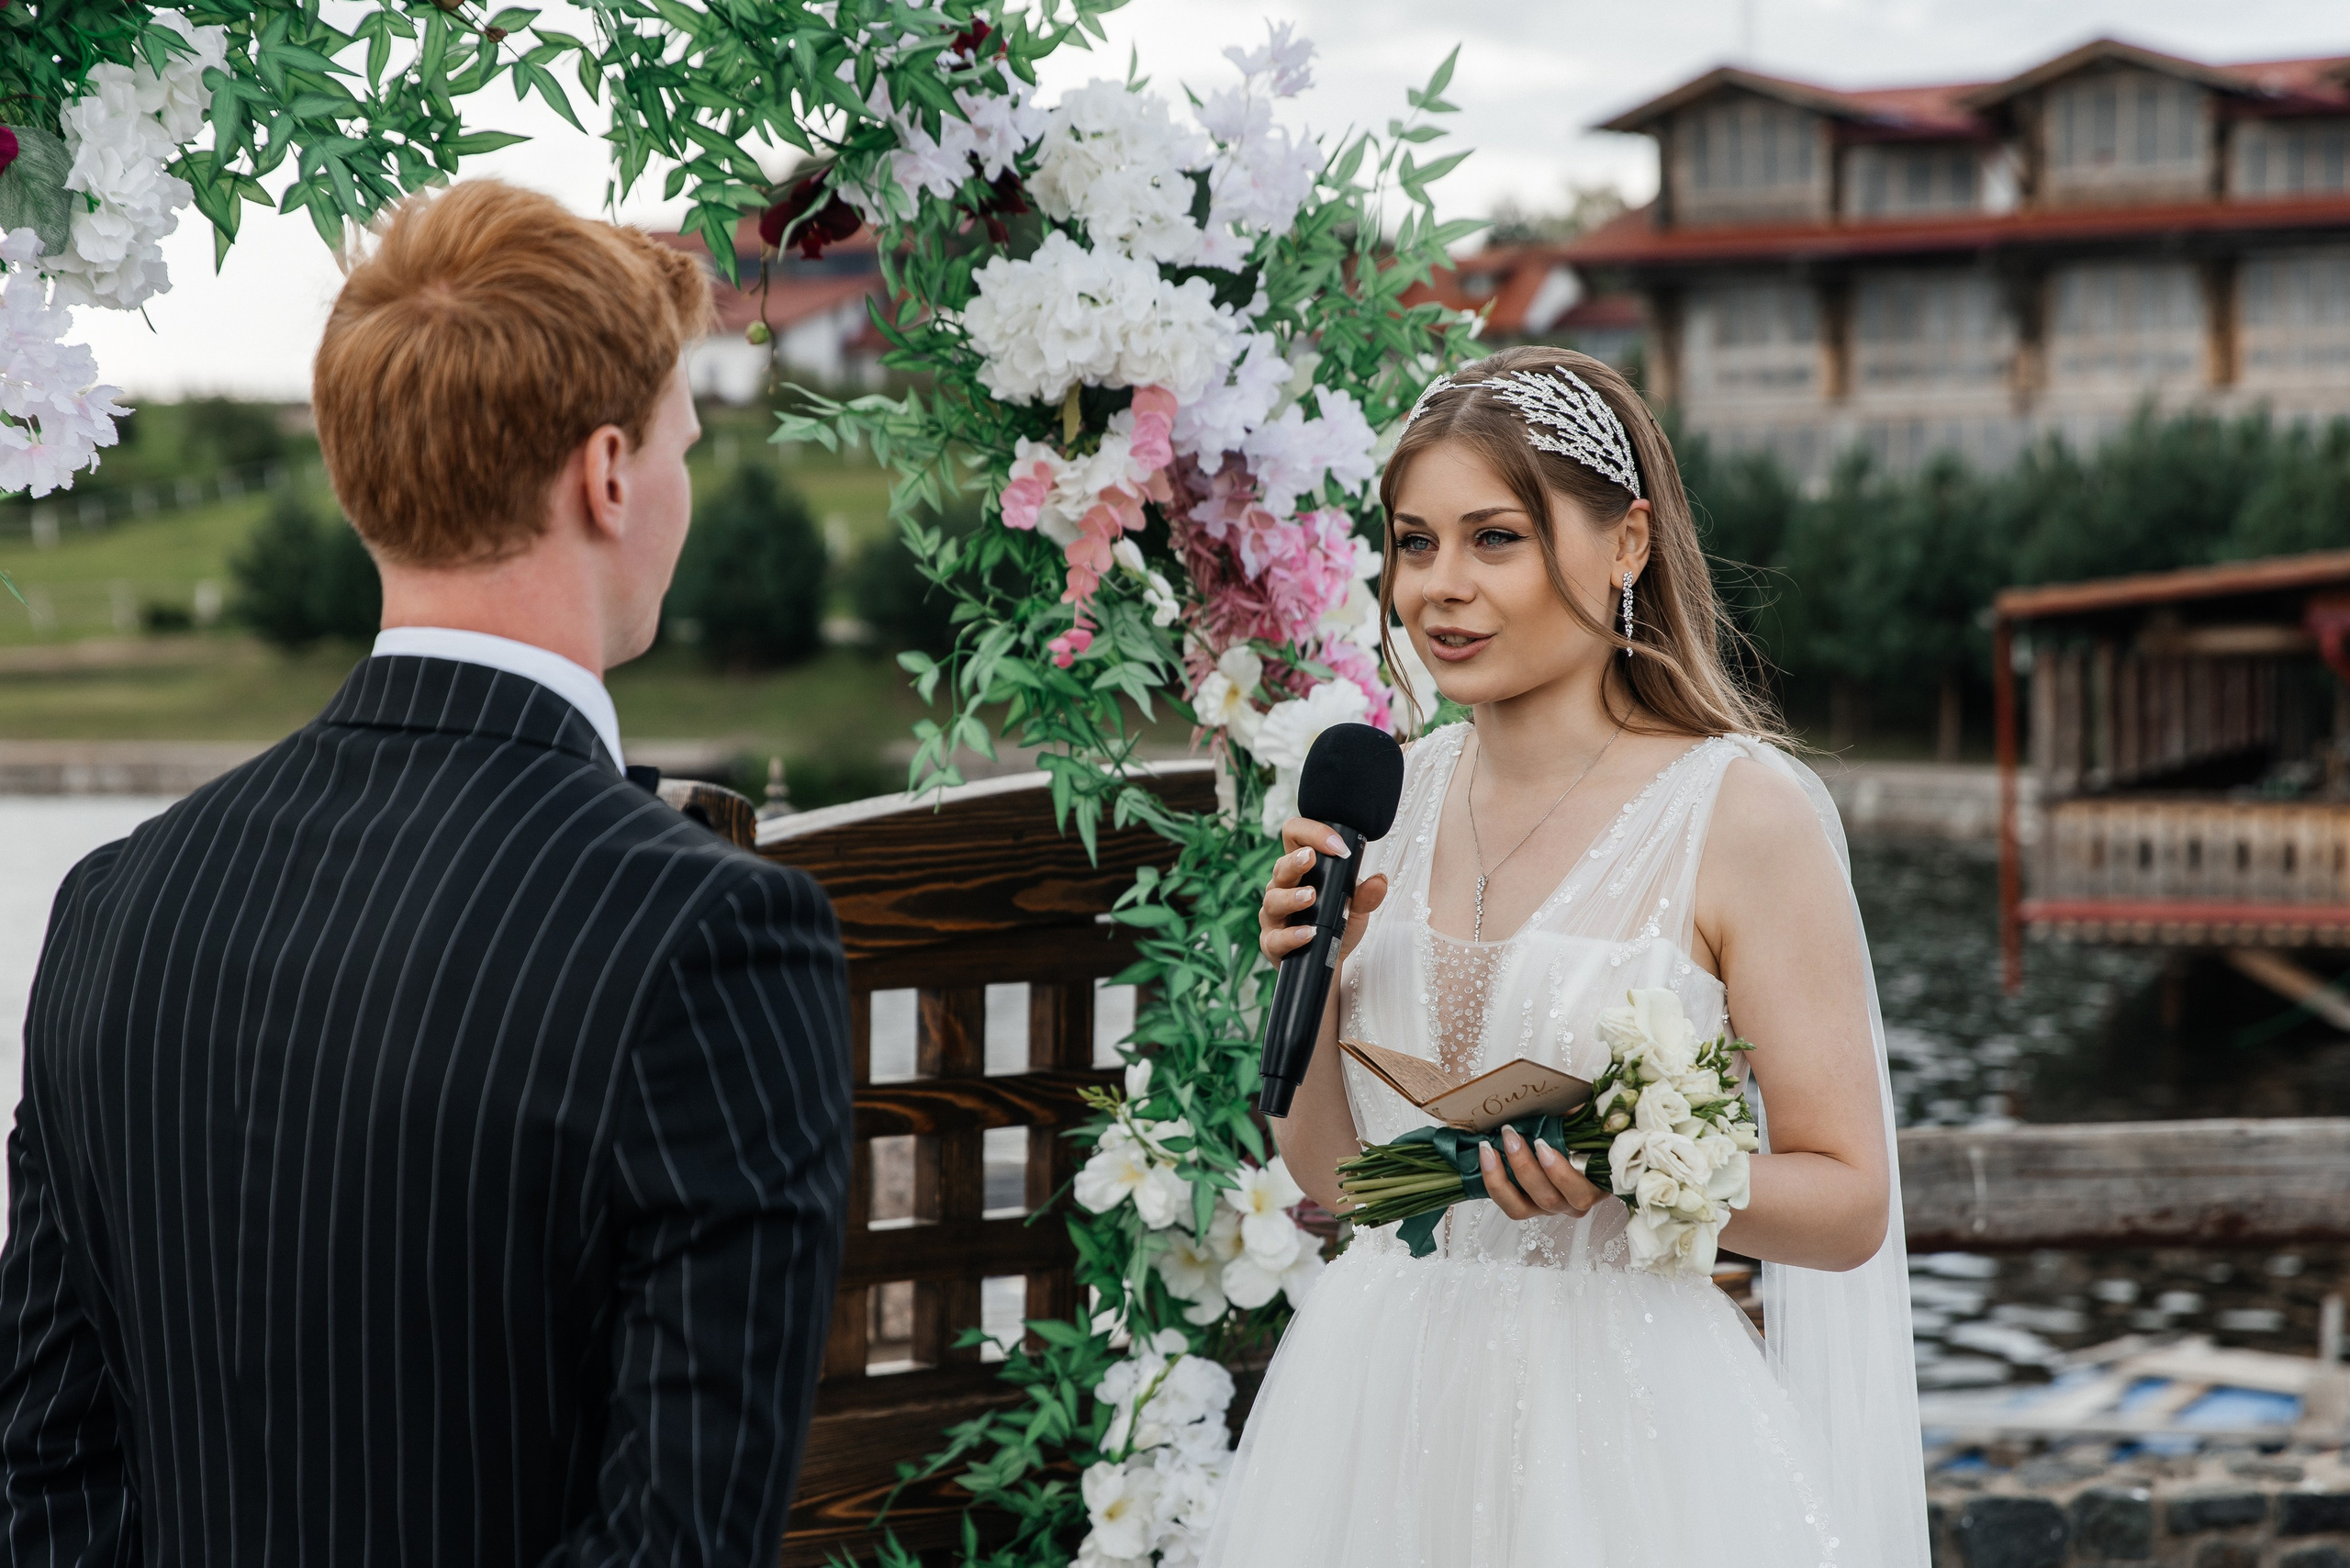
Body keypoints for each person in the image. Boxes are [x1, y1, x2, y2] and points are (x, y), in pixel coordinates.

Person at [0, 181, 855, 1565]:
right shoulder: (713, 935)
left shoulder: (117, 904)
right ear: (609, 474)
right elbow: (683, 1539)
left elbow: (46, 1465)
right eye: (683, 444)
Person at [1202, 347, 1928, 1568]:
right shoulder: (1386, 803)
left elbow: (1850, 1203)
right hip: (1378, 1403)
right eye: (1415, 543)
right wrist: (1311, 989)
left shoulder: (1740, 814)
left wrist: (1634, 1172)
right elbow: (1340, 1185)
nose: (1441, 588)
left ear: (1626, 542)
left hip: (1625, 1426)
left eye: (1495, 538)